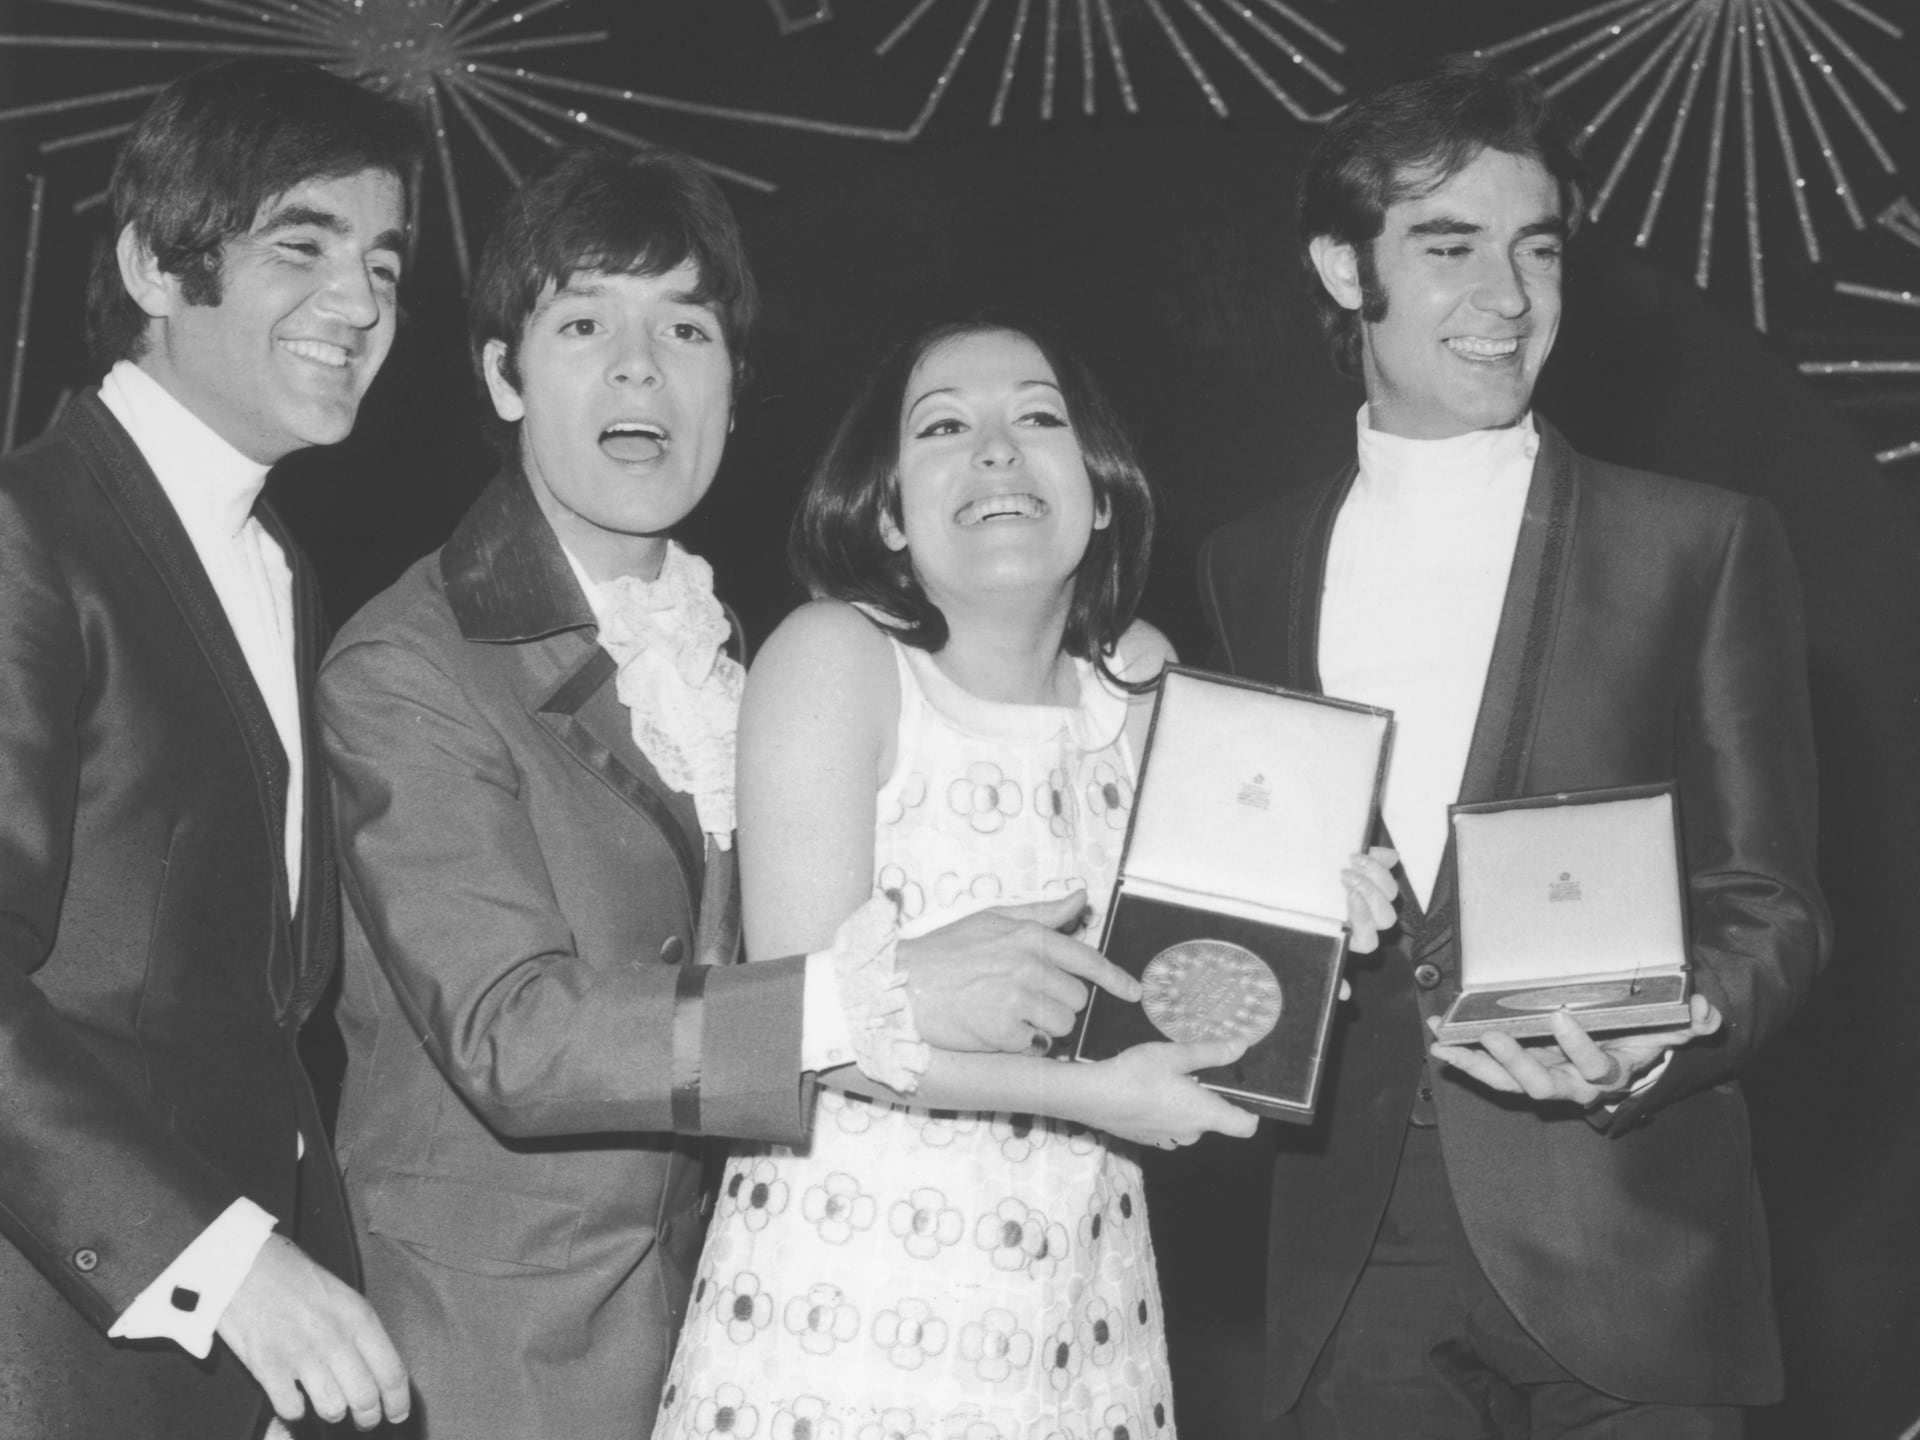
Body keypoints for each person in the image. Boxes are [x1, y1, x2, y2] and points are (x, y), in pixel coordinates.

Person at [317, 152, 1156, 1440]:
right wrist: (869, 994)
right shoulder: (414, 661)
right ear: (503, 375)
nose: (642, 367)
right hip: (499, 1362)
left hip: (734, 1315)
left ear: (732, 390)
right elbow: (518, 1038)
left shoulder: (720, 650)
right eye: (587, 323)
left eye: (687, 328)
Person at [1197, 57, 1831, 1439]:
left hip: (1633, 1243)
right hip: (1346, 1254)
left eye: (1536, 250)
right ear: (1338, 264)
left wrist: (1673, 1031)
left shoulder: (1696, 542)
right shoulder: (1247, 568)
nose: (1508, 298)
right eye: (1448, 247)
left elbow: (1772, 901)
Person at [654, 317, 1400, 1440]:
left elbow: (1192, 989)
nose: (997, 450)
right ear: (891, 510)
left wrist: (1317, 927)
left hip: (1083, 1306)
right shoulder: (834, 657)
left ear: (1101, 494)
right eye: (945, 426)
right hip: (845, 1309)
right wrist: (1099, 1099)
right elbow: (806, 1024)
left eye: (1039, 416)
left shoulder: (1142, 684)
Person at [0, 58, 423, 1439]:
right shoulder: (28, 532)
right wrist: (227, 1264)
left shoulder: (282, 568)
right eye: (301, 245)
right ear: (153, 264)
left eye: (386, 263)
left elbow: (255, 1017)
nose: (359, 304)